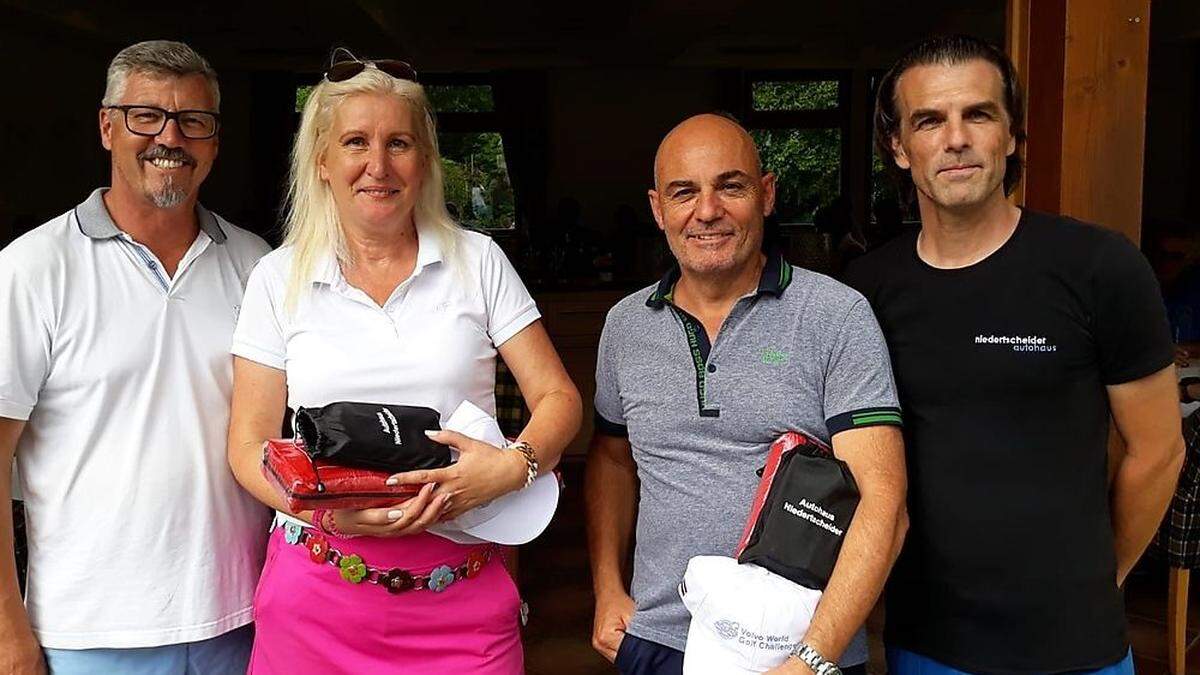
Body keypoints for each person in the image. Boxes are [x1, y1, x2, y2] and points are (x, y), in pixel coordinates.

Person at [226, 52, 581, 674]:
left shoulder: (478, 260)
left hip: (461, 593)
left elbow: (559, 399)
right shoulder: (277, 277)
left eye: (400, 143)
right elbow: (247, 445)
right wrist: (321, 508)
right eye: (356, 142)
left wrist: (508, 469)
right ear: (323, 162)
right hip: (317, 594)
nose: (378, 165)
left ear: (424, 161)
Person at [845, 35, 1185, 674]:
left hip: (1074, 643)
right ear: (898, 147)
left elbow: (1159, 449)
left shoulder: (1098, 267)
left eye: (978, 114)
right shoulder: (864, 291)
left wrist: (1095, 579)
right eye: (928, 120)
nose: (955, 138)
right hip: (927, 640)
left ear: (1012, 135)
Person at [586, 113, 908, 675]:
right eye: (684, 192)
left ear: (766, 194)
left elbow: (885, 504)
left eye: (730, 186)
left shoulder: (836, 316)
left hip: (795, 650)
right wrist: (608, 589)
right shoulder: (625, 326)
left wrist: (812, 660)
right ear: (658, 208)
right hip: (658, 641)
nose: (706, 211)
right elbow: (613, 458)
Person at [0, 40, 272, 674]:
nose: (169, 137)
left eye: (193, 121)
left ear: (214, 139)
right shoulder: (32, 270)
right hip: (89, 635)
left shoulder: (257, 265)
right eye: (145, 115)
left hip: (244, 619)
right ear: (106, 126)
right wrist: (9, 637)